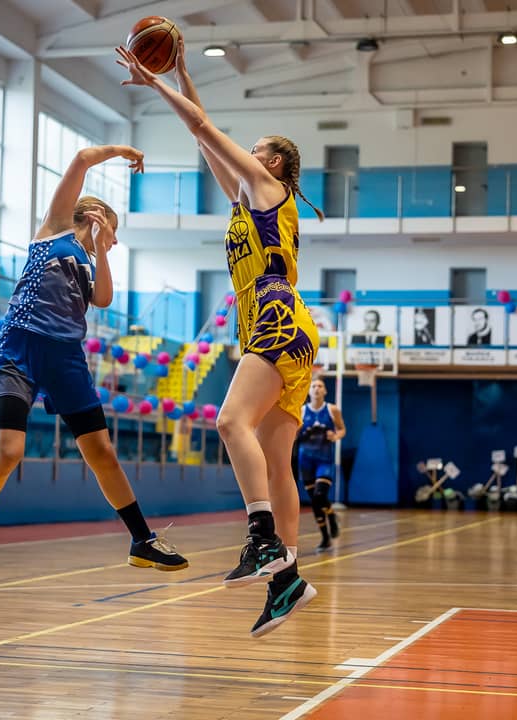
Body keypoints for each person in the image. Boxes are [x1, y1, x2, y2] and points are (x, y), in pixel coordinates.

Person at [118, 37, 323, 637]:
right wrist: (182, 72)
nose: (246, 154)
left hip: (278, 318)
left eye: (255, 150)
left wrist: (154, 82)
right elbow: (202, 135)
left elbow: (204, 127)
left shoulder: (268, 191)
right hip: (281, 327)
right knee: (277, 461)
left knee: (230, 422)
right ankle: (288, 580)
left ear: (274, 164)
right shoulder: (245, 201)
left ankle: (262, 538)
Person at [0, 144, 189, 581]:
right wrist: (124, 151)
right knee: (9, 451)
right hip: (20, 348)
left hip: (66, 358)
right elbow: (81, 159)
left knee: (102, 452)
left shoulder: (91, 263)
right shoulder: (53, 229)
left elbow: (103, 300)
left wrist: (104, 252)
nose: (114, 239)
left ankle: (141, 540)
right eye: (111, 231)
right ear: (94, 218)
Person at [297, 377, 346, 551]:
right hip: (306, 460)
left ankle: (331, 517)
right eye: (314, 386)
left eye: (320, 386)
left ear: (325, 391)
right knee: (315, 501)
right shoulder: (301, 411)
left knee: (319, 495)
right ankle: (325, 536)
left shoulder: (332, 410)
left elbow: (342, 429)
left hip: (324, 459)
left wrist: (336, 436)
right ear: (309, 391)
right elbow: (294, 434)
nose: (317, 388)